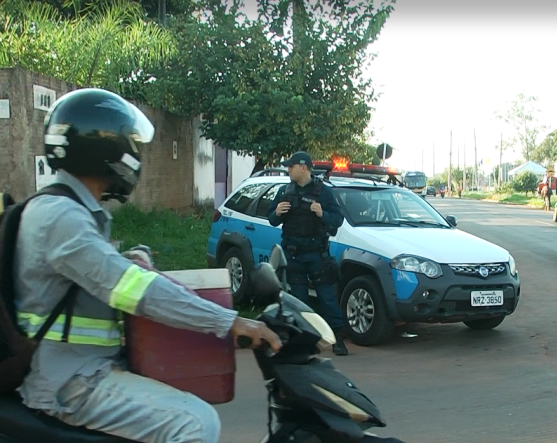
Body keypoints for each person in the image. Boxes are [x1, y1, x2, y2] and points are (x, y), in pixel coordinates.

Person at [15, 88, 282, 443]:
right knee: (195, 422)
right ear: (105, 152)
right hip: (71, 381)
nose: (134, 156)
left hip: (84, 368)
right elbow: (138, 292)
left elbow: (95, 273)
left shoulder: (68, 211)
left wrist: (131, 260)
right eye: (130, 146)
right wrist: (228, 322)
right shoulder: (61, 216)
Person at [267, 151, 348, 356]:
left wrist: (323, 214)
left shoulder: (324, 192)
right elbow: (271, 219)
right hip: (293, 254)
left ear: (303, 167)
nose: (288, 170)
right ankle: (303, 341)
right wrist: (276, 212)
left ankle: (338, 338)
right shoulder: (285, 190)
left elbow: (338, 220)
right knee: (299, 300)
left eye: (291, 166)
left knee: (327, 297)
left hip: (316, 255)